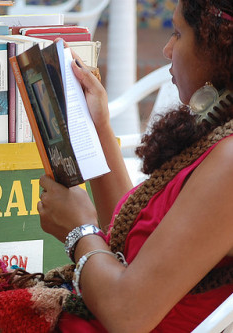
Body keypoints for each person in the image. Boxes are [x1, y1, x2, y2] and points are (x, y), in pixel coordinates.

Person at [38, 0, 233, 332]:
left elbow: (127, 314)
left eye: (177, 33)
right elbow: (132, 242)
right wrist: (99, 127)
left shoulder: (228, 161)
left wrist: (79, 231)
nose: (167, 49)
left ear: (217, 46)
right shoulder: (216, 139)